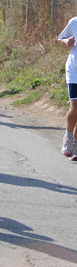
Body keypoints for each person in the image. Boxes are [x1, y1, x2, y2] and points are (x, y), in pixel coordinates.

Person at [58, 18, 77, 160]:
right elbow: (61, 39)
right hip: (74, 71)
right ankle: (68, 136)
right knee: (75, 107)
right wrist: (67, 42)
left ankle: (76, 144)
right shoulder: (74, 22)